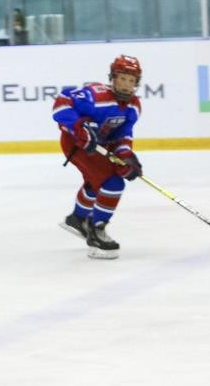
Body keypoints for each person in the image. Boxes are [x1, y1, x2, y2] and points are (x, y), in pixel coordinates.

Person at [53, 55, 144, 259]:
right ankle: (97, 230)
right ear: (113, 77)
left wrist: (125, 156)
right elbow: (62, 102)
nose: (126, 85)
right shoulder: (96, 95)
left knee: (97, 183)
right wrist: (78, 126)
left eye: (131, 80)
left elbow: (123, 135)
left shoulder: (134, 106)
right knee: (112, 183)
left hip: (102, 145)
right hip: (77, 145)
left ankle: (77, 218)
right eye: (122, 78)